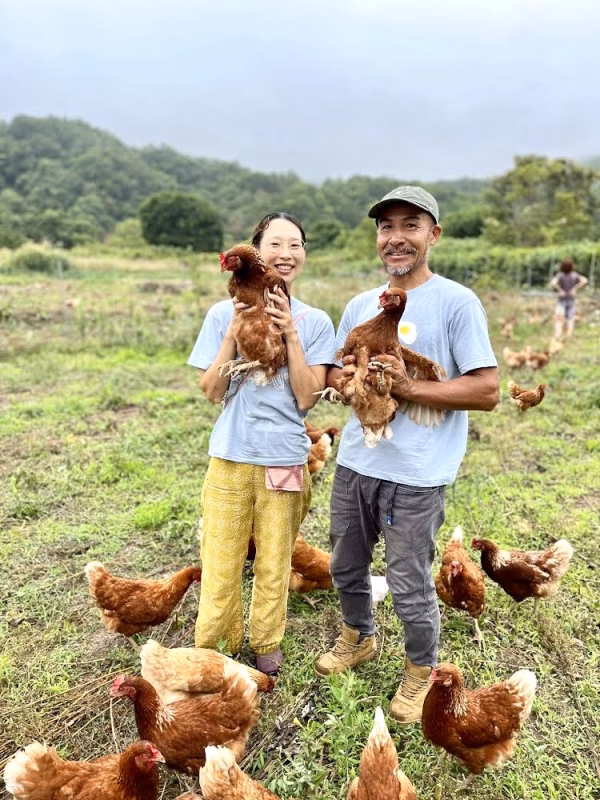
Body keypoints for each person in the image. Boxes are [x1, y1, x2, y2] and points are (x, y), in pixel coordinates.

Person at [314, 186, 499, 724]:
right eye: (386, 227)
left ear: (433, 235)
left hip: (417, 475)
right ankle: (358, 636)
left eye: (410, 225)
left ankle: (421, 667)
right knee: (345, 564)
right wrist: (344, 380)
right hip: (355, 463)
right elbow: (334, 369)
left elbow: (486, 390)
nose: (396, 237)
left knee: (409, 576)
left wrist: (407, 388)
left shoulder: (457, 302)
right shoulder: (359, 304)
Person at [188, 212, 336, 675]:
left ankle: (266, 642)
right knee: (220, 558)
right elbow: (212, 391)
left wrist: (290, 333)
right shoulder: (220, 314)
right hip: (231, 456)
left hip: (287, 458)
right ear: (257, 251)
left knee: (274, 560)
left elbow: (308, 397)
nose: (286, 254)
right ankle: (215, 644)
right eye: (276, 244)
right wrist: (233, 333)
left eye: (296, 244)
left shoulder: (315, 322)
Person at [550, 259, 588, 338]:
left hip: (562, 300)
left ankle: (557, 336)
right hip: (571, 299)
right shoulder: (574, 275)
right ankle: (568, 336)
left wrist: (560, 290)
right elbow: (585, 280)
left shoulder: (560, 275)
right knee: (570, 319)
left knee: (559, 318)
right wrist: (575, 288)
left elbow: (553, 282)